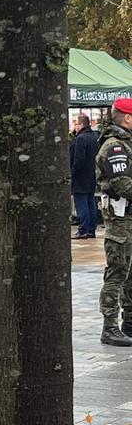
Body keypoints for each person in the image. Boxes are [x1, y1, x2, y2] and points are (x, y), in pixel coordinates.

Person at [96, 98, 132, 346]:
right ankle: (109, 327)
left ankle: (128, 322)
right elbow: (122, 183)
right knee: (117, 272)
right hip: (120, 221)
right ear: (127, 118)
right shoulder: (115, 146)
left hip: (129, 218)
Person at [71, 114, 98, 240]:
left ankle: (83, 230)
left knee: (81, 203)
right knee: (90, 202)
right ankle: (91, 229)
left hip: (80, 176)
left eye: (76, 123)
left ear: (81, 125)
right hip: (91, 175)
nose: (75, 126)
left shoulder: (81, 138)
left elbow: (79, 159)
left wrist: (73, 172)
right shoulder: (94, 136)